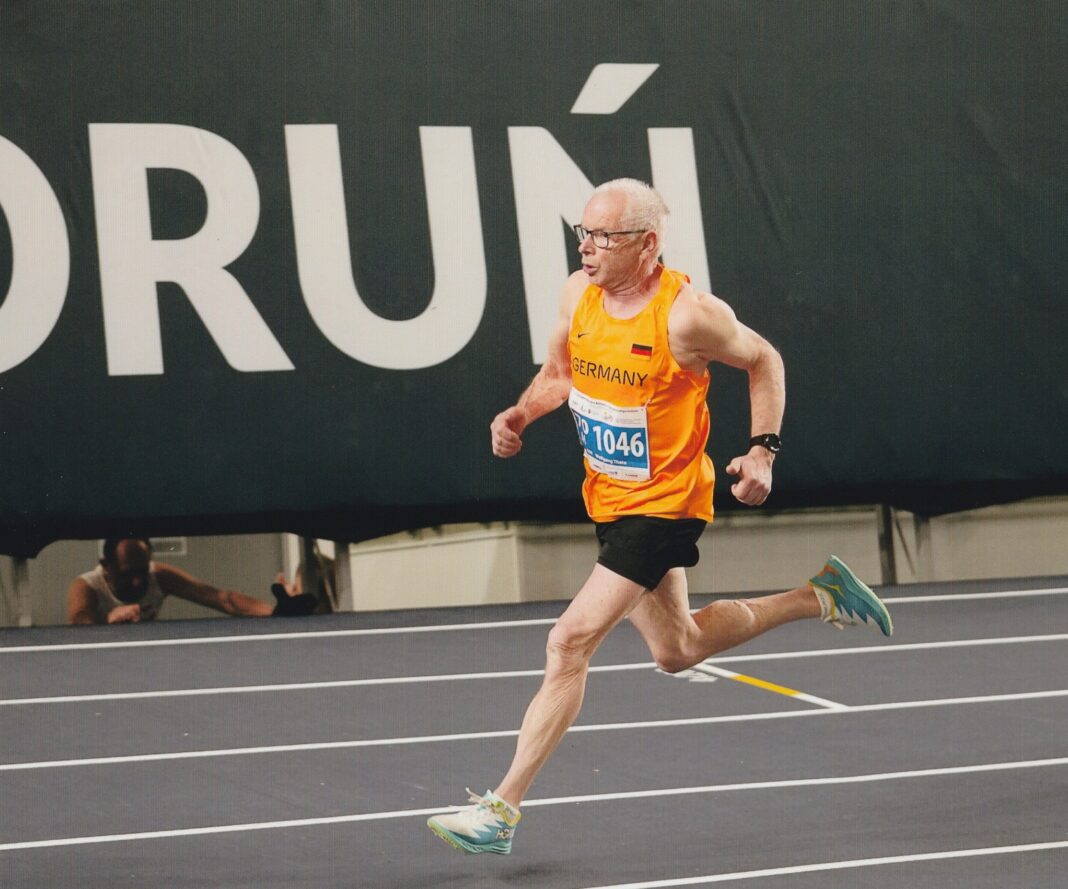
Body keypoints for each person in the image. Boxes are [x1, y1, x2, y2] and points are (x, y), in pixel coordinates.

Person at [427, 178, 893, 855]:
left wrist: (762, 451)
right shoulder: (576, 294)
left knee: (569, 641)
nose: (588, 248)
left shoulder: (687, 316)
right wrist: (523, 413)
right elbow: (560, 373)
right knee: (678, 649)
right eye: (582, 234)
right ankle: (819, 594)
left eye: (604, 237)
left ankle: (501, 808)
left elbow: (764, 359)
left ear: (648, 244)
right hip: (610, 500)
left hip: (668, 506)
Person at [67, 537, 318, 624]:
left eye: (141, 572)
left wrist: (275, 612)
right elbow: (79, 618)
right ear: (106, 567)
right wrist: (105, 620)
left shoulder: (158, 576)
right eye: (127, 573)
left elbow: (221, 599)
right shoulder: (87, 586)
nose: (136, 582)